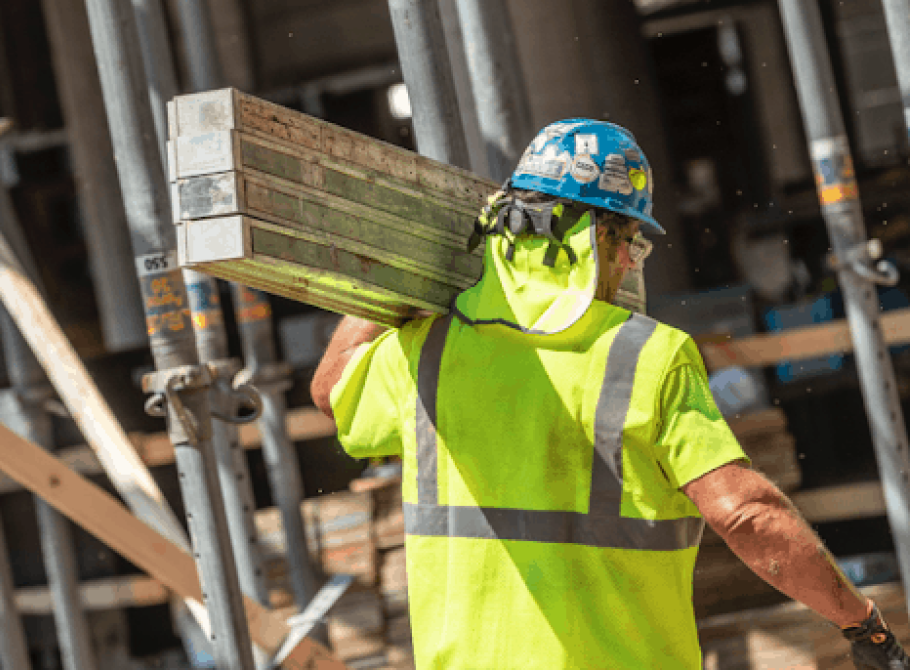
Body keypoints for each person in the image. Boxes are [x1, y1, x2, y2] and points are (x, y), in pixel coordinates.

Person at [311, 120, 909, 669]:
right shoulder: (647, 355)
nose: (628, 263)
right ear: (590, 237)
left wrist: (397, 282)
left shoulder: (428, 352)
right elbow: (745, 513)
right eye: (628, 243)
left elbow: (330, 389)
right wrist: (862, 624)